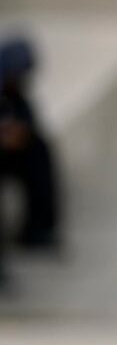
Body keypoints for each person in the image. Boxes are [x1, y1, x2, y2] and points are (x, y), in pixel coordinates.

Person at [0, 36, 61, 255]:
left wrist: (18, 133)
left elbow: (27, 123)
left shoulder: (14, 92)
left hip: (11, 153)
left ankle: (39, 230)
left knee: (39, 149)